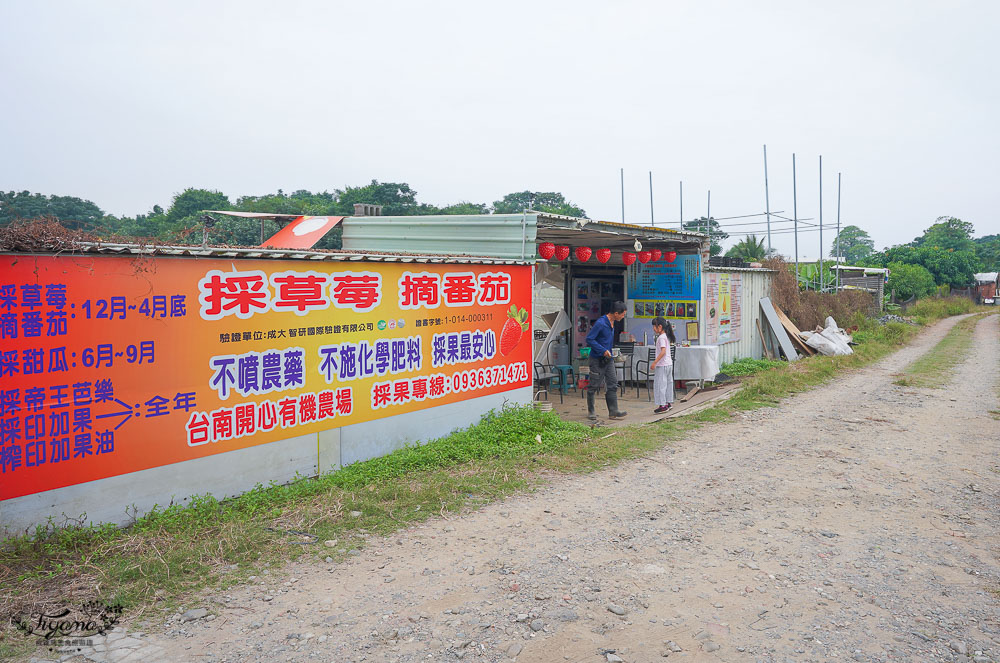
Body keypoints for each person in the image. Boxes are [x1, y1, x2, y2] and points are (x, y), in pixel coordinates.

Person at [585, 301, 628, 420]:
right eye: (622, 314)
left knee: (613, 382)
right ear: (615, 313)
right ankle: (591, 410)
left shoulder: (612, 323)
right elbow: (589, 339)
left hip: (608, 360)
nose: (623, 317)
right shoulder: (600, 323)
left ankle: (613, 411)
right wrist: (602, 350)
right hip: (597, 359)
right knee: (594, 385)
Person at [651, 317, 676, 414]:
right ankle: (668, 402)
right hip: (669, 364)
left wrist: (655, 362)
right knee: (668, 383)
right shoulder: (666, 336)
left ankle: (662, 405)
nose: (653, 328)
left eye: (654, 326)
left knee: (660, 384)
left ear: (660, 327)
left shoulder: (661, 338)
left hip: (662, 365)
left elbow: (663, 351)